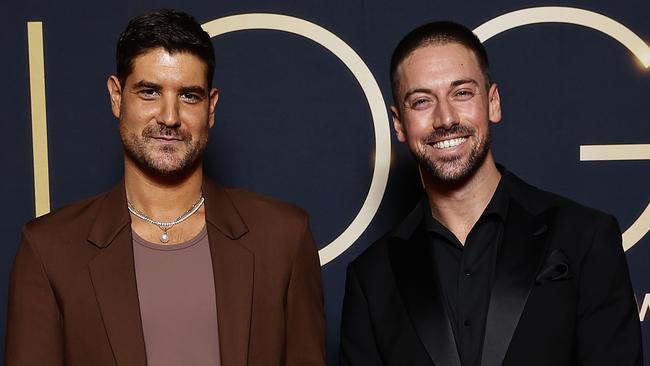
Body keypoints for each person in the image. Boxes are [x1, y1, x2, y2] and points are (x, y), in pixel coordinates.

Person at [6, 9, 326, 366]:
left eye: (189, 95)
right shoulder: (49, 250)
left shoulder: (283, 237)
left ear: (211, 107)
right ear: (116, 96)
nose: (170, 117)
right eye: (149, 92)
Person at [340, 21, 642, 366]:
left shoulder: (585, 238)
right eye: (422, 101)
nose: (445, 118)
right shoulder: (372, 278)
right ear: (399, 125)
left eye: (462, 93)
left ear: (493, 103)